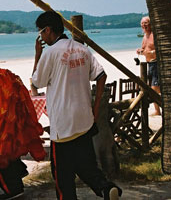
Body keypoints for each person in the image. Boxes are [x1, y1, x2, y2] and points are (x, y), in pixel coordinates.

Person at [31, 11, 121, 200]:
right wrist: (95, 108)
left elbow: (36, 82)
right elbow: (101, 75)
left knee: (62, 175)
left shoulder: (50, 53)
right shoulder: (82, 49)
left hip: (63, 125)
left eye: (41, 32)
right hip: (85, 120)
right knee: (86, 165)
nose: (41, 37)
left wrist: (38, 55)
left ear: (48, 30)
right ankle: (105, 188)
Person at [136, 16, 161, 116]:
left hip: (156, 63)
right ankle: (157, 110)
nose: (144, 25)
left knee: (154, 89)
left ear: (151, 24)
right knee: (152, 89)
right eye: (142, 23)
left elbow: (159, 49)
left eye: (146, 23)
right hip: (149, 64)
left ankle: (160, 108)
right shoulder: (144, 36)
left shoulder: (153, 35)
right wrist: (140, 51)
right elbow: (144, 49)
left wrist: (151, 52)